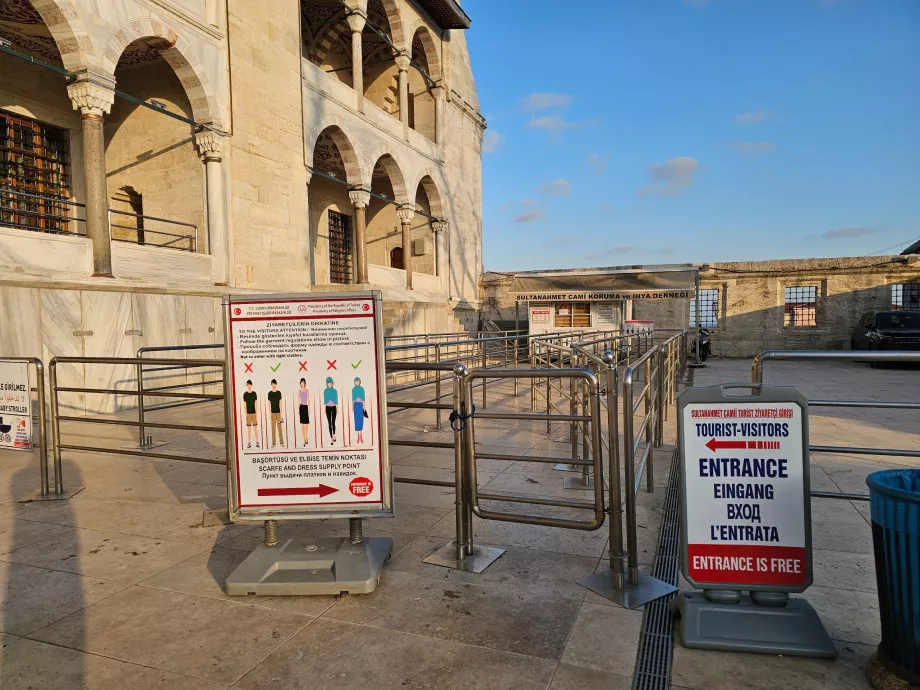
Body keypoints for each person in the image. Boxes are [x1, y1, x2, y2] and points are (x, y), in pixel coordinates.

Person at [242, 380, 259, 449]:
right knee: (249, 429)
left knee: (255, 428)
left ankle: (257, 441)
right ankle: (249, 442)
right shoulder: (245, 394)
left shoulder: (254, 393)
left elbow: (256, 403)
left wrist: (256, 413)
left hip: (254, 412)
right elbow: (244, 404)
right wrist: (246, 413)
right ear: (247, 385)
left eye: (249, 384)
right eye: (247, 384)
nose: (249, 386)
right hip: (248, 413)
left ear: (251, 385)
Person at [267, 379, 284, 448]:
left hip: (278, 413)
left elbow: (280, 403)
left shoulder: (279, 393)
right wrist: (270, 412)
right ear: (271, 384)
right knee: (273, 428)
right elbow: (269, 404)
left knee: (280, 428)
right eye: (272, 384)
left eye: (274, 384)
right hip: (272, 413)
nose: (273, 385)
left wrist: (281, 413)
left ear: (276, 384)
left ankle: (281, 442)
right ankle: (273, 443)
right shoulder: (269, 393)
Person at [352, 377, 367, 444]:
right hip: (356, 405)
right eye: (356, 381)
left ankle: (361, 436)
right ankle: (358, 436)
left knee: (361, 420)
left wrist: (364, 407)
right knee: (356, 420)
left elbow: (363, 399)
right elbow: (353, 399)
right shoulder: (353, 389)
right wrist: (352, 407)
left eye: (358, 381)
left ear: (359, 382)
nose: (357, 382)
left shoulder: (362, 389)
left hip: (360, 405)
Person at [323, 376, 338, 443]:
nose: (329, 384)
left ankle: (334, 434)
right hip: (328, 408)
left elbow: (336, 400)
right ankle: (331, 438)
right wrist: (324, 409)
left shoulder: (335, 391)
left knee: (333, 422)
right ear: (326, 383)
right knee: (329, 423)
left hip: (334, 407)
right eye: (328, 382)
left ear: (332, 383)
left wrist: (337, 408)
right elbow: (325, 401)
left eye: (330, 382)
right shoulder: (325, 391)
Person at [297, 378, 310, 446]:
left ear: (305, 383)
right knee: (302, 425)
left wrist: (309, 409)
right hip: (301, 407)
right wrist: (299, 409)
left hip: (306, 407)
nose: (302, 383)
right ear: (300, 383)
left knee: (306, 424)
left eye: (303, 382)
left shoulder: (307, 390)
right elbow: (298, 401)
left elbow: (309, 400)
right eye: (301, 382)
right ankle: (304, 438)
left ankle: (307, 437)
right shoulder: (299, 391)